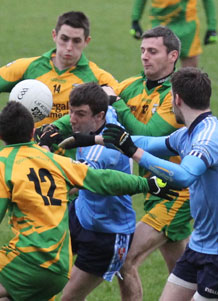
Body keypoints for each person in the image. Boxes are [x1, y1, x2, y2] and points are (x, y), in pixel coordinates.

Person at [0, 101, 177, 301]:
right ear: (33, 131)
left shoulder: (2, 168)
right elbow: (103, 179)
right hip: (59, 268)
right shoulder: (54, 160)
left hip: (28, 258)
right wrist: (147, 184)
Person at [67, 67, 218, 300]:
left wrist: (133, 151)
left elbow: (184, 176)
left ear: (176, 99)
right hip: (200, 245)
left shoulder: (210, 138)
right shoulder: (187, 133)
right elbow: (149, 141)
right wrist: (94, 138)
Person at [54, 26, 192, 301]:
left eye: (152, 51)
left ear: (172, 55)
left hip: (176, 191)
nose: (144, 57)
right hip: (153, 186)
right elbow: (92, 107)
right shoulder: (130, 86)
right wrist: (54, 130)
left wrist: (119, 106)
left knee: (126, 259)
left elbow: (151, 136)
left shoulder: (177, 95)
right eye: (142, 50)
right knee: (183, 270)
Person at [0, 11, 117, 164]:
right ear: (54, 35)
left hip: (70, 166)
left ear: (87, 41)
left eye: (76, 41)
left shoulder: (99, 78)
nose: (69, 47)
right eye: (64, 39)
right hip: (26, 160)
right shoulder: (29, 67)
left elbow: (120, 112)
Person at [56, 83, 137, 300]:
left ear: (98, 116)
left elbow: (74, 181)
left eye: (80, 114)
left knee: (69, 297)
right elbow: (108, 93)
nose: (72, 119)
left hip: (106, 234)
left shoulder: (101, 152)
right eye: (71, 112)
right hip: (80, 213)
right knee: (43, 269)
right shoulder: (107, 113)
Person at [130, 0, 218, 67]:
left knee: (190, 73)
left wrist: (212, 27)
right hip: (159, 27)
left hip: (187, 27)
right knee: (157, 71)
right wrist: (135, 20)